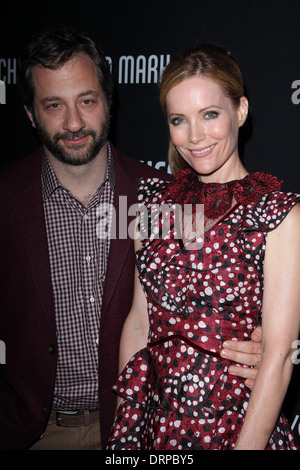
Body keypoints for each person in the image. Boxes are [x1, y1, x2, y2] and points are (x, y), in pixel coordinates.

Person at [0, 26, 262, 451]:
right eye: (53, 105)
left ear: (108, 102)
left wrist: (263, 342)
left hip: (139, 428)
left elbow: (211, 298)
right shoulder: (4, 199)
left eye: (86, 101)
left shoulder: (165, 199)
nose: (73, 122)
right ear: (30, 114)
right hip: (32, 431)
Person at [107, 43, 300, 450]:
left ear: (240, 112)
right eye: (179, 120)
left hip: (238, 426)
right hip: (156, 430)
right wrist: (125, 432)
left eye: (210, 114)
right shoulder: (150, 210)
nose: (194, 136)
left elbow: (279, 356)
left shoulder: (279, 216)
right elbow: (140, 323)